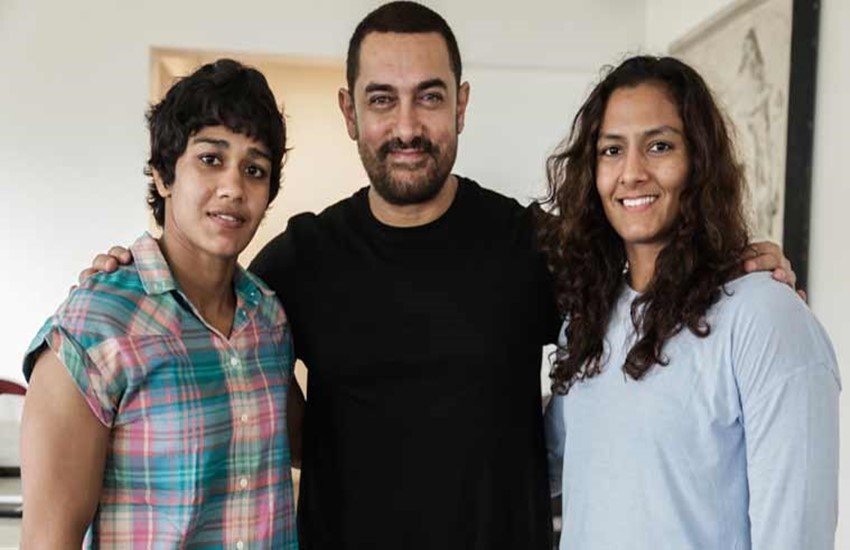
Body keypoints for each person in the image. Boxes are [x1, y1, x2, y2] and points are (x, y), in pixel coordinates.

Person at [80, 3, 796, 548]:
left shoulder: (536, 246)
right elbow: (205, 325)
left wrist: (737, 263)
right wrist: (126, 271)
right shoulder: (302, 257)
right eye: (381, 100)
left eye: (429, 96)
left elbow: (651, 282)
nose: (407, 127)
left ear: (461, 103)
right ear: (350, 112)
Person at [540, 56, 839, 549]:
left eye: (659, 146)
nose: (631, 172)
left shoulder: (764, 316)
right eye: (612, 150)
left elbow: (796, 535)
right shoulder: (588, 320)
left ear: (699, 161)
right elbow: (542, 466)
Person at [21, 59, 298, 548]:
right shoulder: (96, 325)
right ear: (164, 175)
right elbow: (48, 540)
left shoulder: (268, 318)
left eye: (254, 170)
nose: (233, 188)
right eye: (210, 159)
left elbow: (309, 447)